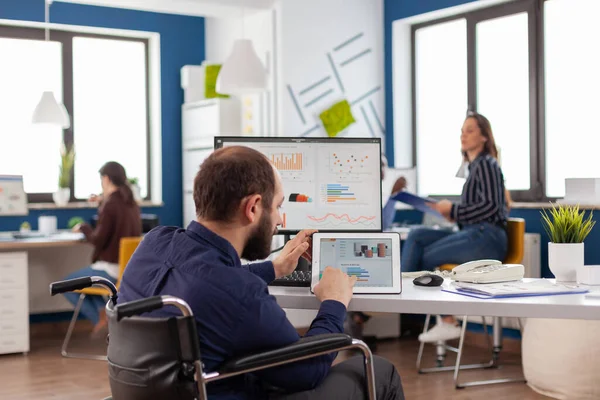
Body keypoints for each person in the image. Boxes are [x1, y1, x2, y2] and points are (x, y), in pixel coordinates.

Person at [118, 146, 405, 400]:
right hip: (231, 391)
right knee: (380, 371)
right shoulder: (238, 291)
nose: (280, 219)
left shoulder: (154, 242)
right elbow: (308, 371)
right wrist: (334, 302)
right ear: (253, 207)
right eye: (278, 206)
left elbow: (202, 282)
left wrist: (275, 268)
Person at [402, 111, 509, 342]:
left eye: (470, 130)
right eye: (462, 131)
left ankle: (444, 319)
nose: (463, 135)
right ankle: (403, 298)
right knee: (417, 235)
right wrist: (454, 216)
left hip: (487, 237)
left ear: (484, 137)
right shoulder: (474, 168)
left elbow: (491, 208)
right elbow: (479, 208)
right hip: (474, 232)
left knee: (427, 255)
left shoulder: (487, 164)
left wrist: (453, 210)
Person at [63, 161, 141, 334]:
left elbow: (98, 240)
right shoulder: (131, 202)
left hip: (109, 270)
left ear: (106, 179)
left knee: (66, 285)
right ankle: (103, 315)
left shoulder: (111, 204)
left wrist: (83, 227)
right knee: (91, 284)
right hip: (126, 270)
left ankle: (101, 318)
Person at [346, 155, 406, 342]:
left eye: (385, 166)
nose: (383, 170)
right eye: (380, 165)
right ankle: (359, 317)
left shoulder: (370, 190)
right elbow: (381, 223)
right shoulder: (363, 193)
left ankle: (359, 318)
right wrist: (395, 195)